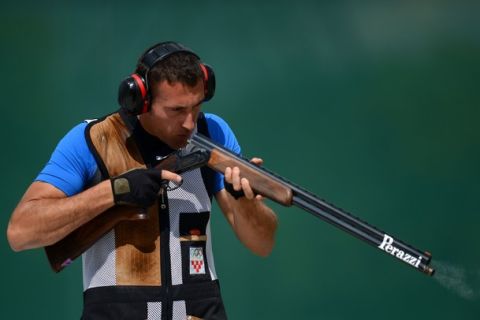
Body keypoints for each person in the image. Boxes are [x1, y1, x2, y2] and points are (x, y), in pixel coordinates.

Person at [6, 41, 278, 320]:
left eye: (196, 107)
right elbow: (20, 232)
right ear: (141, 100)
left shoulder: (213, 132)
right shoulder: (93, 140)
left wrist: (245, 203)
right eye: (176, 110)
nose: (189, 123)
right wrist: (116, 190)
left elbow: (262, 244)